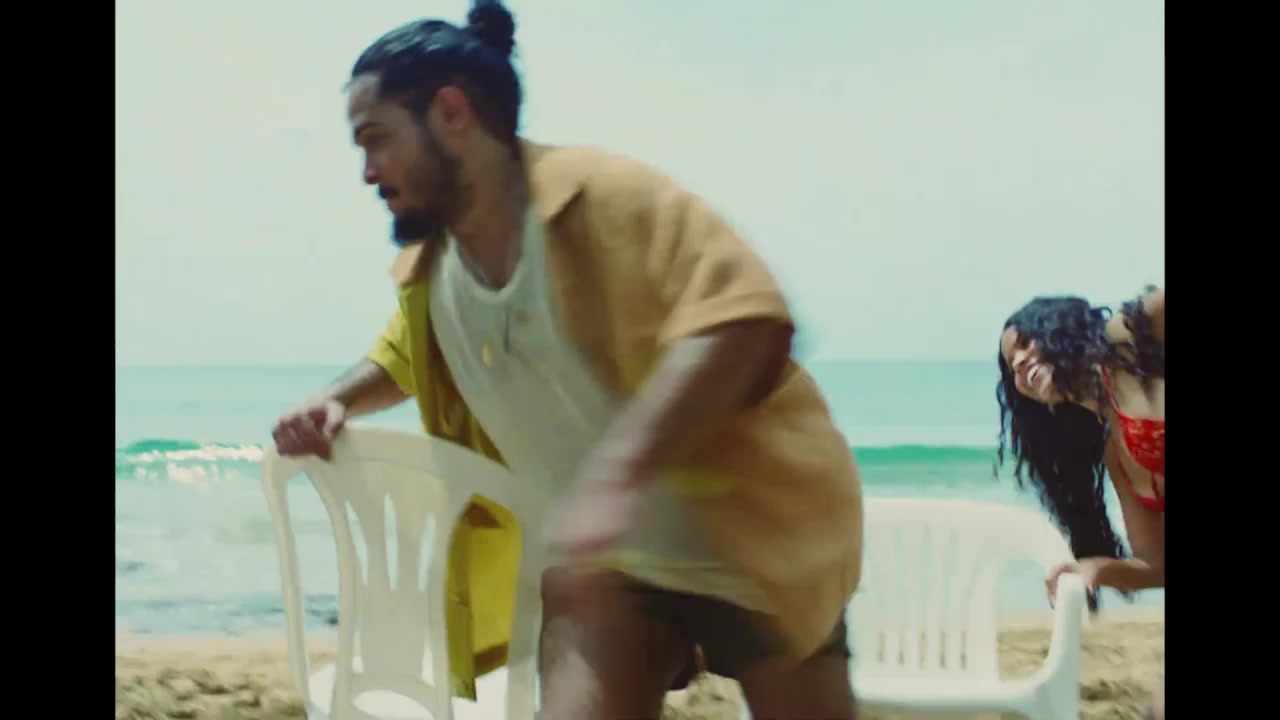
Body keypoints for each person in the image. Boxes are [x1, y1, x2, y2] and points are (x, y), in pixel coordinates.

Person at [271, 2, 864, 718]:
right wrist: (337, 400)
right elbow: (405, 356)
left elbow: (746, 322)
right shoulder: (432, 271)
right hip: (607, 572)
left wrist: (616, 477)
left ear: (451, 113)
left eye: (377, 140)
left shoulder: (605, 198)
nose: (368, 172)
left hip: (755, 545)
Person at [994, 287, 1164, 719]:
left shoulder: (1130, 337)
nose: (1020, 362)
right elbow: (1158, 567)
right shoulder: (1120, 453)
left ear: (1063, 328)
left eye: (1027, 342)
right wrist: (1093, 569)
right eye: (1012, 364)